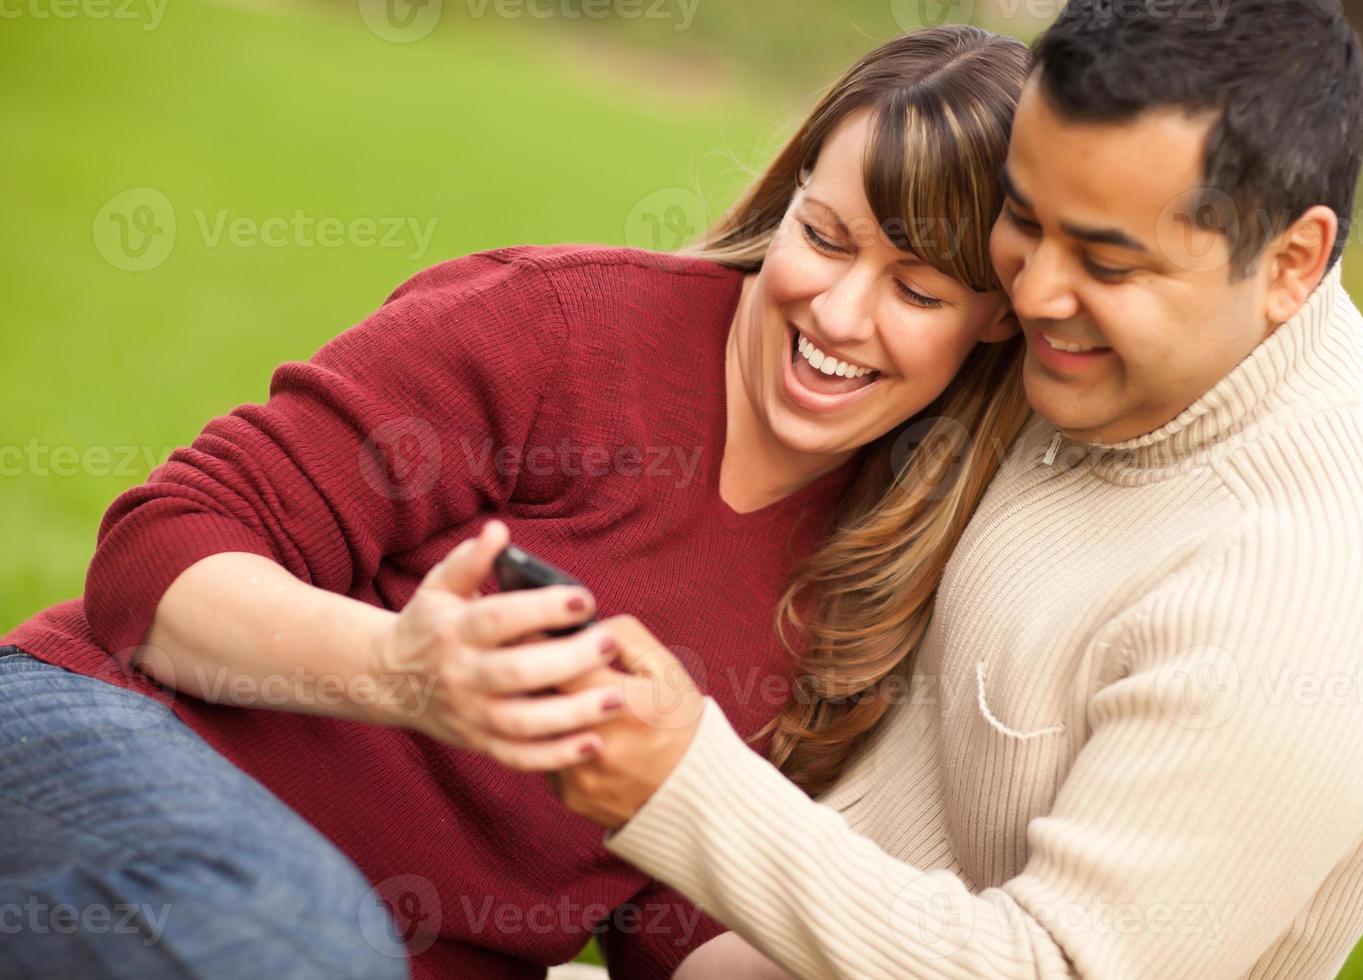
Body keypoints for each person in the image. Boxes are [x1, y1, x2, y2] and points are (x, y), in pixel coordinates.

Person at [0, 26, 1035, 980]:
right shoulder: (563, 329)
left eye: (917, 291)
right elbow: (158, 552)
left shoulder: (875, 578)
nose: (839, 310)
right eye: (825, 235)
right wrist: (399, 671)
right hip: (108, 739)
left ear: (993, 321)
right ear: (788, 197)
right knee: (306, 931)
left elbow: (665, 925)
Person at [494, 3, 1363, 978]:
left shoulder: (1312, 599)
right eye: (1023, 217)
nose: (1032, 291)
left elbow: (1053, 966)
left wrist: (683, 782)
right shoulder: (1141, 348)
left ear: (1291, 261)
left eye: (1104, 260)